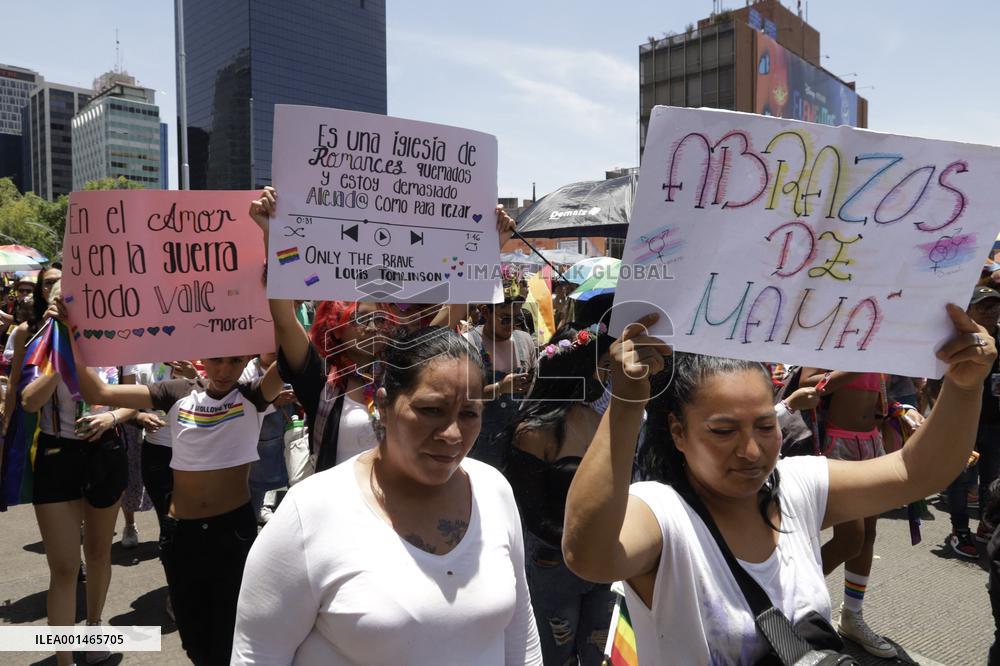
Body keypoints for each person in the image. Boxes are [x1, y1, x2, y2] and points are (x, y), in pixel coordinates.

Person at [562, 306, 994, 665]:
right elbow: (589, 555)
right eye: (723, 430)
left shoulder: (796, 483)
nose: (750, 451)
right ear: (678, 432)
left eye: (765, 425)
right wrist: (625, 404)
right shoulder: (661, 511)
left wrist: (963, 384)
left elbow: (917, 473)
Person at [232, 326, 543, 665]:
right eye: (431, 410)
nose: (453, 435)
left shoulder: (494, 490)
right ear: (384, 404)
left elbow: (520, 633)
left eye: (469, 414)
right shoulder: (310, 512)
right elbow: (256, 655)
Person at [60, 304, 283, 665]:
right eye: (216, 360)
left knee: (230, 636)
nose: (225, 370)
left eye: (235, 361)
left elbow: (289, 361)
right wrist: (71, 331)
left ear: (246, 361)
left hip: (233, 533)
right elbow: (97, 388)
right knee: (194, 640)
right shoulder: (175, 390)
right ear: (202, 360)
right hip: (182, 536)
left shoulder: (254, 394)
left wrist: (281, 298)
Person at [20, 279, 132, 666]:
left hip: (105, 449)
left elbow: (135, 398)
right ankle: (64, 658)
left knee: (100, 552)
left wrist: (112, 417)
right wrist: (61, 355)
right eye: (63, 303)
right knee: (65, 565)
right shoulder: (43, 342)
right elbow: (29, 402)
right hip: (57, 455)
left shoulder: (116, 337)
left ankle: (96, 627)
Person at [500, 323, 615, 664]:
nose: (606, 378)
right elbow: (532, 515)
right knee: (555, 653)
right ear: (578, 371)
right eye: (602, 369)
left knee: (598, 650)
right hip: (553, 565)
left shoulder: (602, 422)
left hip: (603, 564)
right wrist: (578, 545)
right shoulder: (534, 433)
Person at [796, 363, 896, 657]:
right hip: (836, 445)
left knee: (868, 535)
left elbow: (881, 397)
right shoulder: (836, 330)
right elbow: (808, 382)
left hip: (872, 442)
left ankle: (852, 615)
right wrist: (853, 368)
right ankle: (791, 602)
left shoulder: (884, 338)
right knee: (850, 539)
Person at [944, 285, 1000, 557]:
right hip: (966, 421)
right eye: (984, 306)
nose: (991, 311)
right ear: (970, 310)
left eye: (995, 305)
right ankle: (960, 529)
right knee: (961, 477)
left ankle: (988, 525)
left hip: (995, 423)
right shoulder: (958, 339)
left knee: (992, 478)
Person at [464, 291, 538, 469]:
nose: (512, 325)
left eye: (516, 318)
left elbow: (534, 388)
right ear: (486, 311)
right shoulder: (469, 342)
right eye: (505, 318)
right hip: (479, 442)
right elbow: (463, 397)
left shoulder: (526, 341)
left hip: (516, 442)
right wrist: (499, 388)